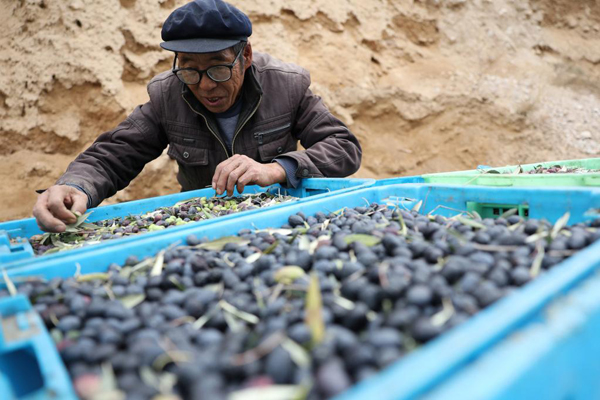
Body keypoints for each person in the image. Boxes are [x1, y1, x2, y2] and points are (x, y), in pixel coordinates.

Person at [33, 0, 362, 233]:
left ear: (245, 56)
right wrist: (75, 187)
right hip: (200, 228)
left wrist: (276, 169)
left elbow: (343, 146)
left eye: (218, 68)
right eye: (190, 69)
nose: (205, 85)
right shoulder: (167, 95)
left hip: (276, 221)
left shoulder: (286, 86)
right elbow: (113, 155)